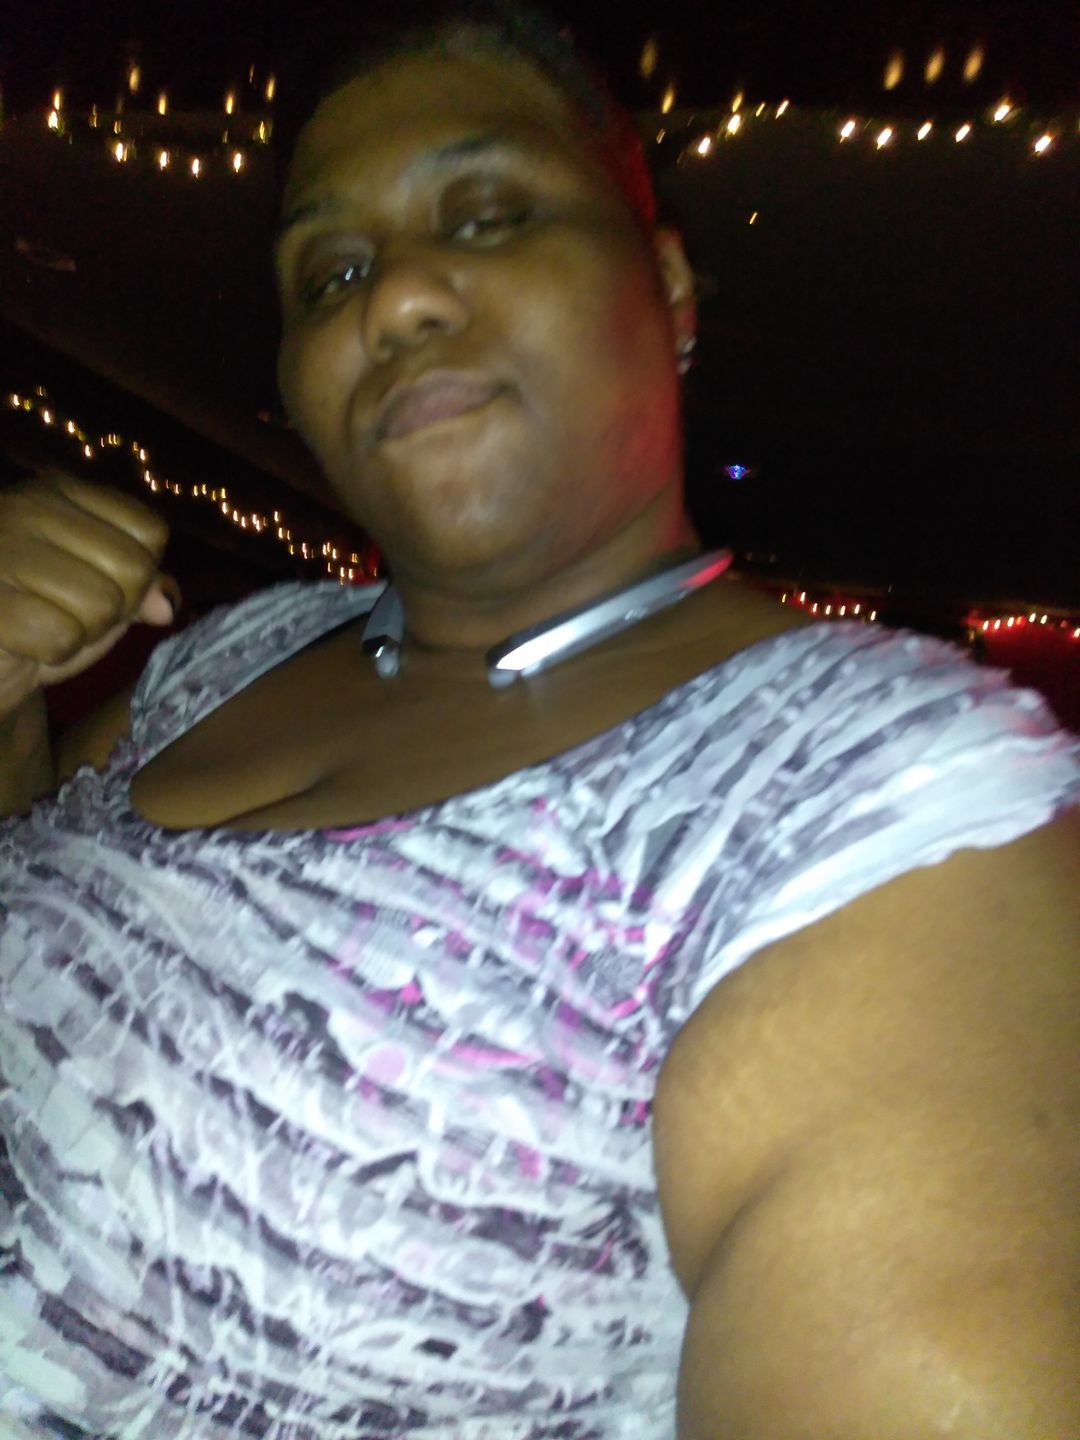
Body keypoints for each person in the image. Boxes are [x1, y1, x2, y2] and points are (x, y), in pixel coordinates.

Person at [0, 3, 1077, 1435]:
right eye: (329, 272)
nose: (390, 301)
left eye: (489, 213)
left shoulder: (882, 796)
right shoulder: (231, 652)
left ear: (668, 291)